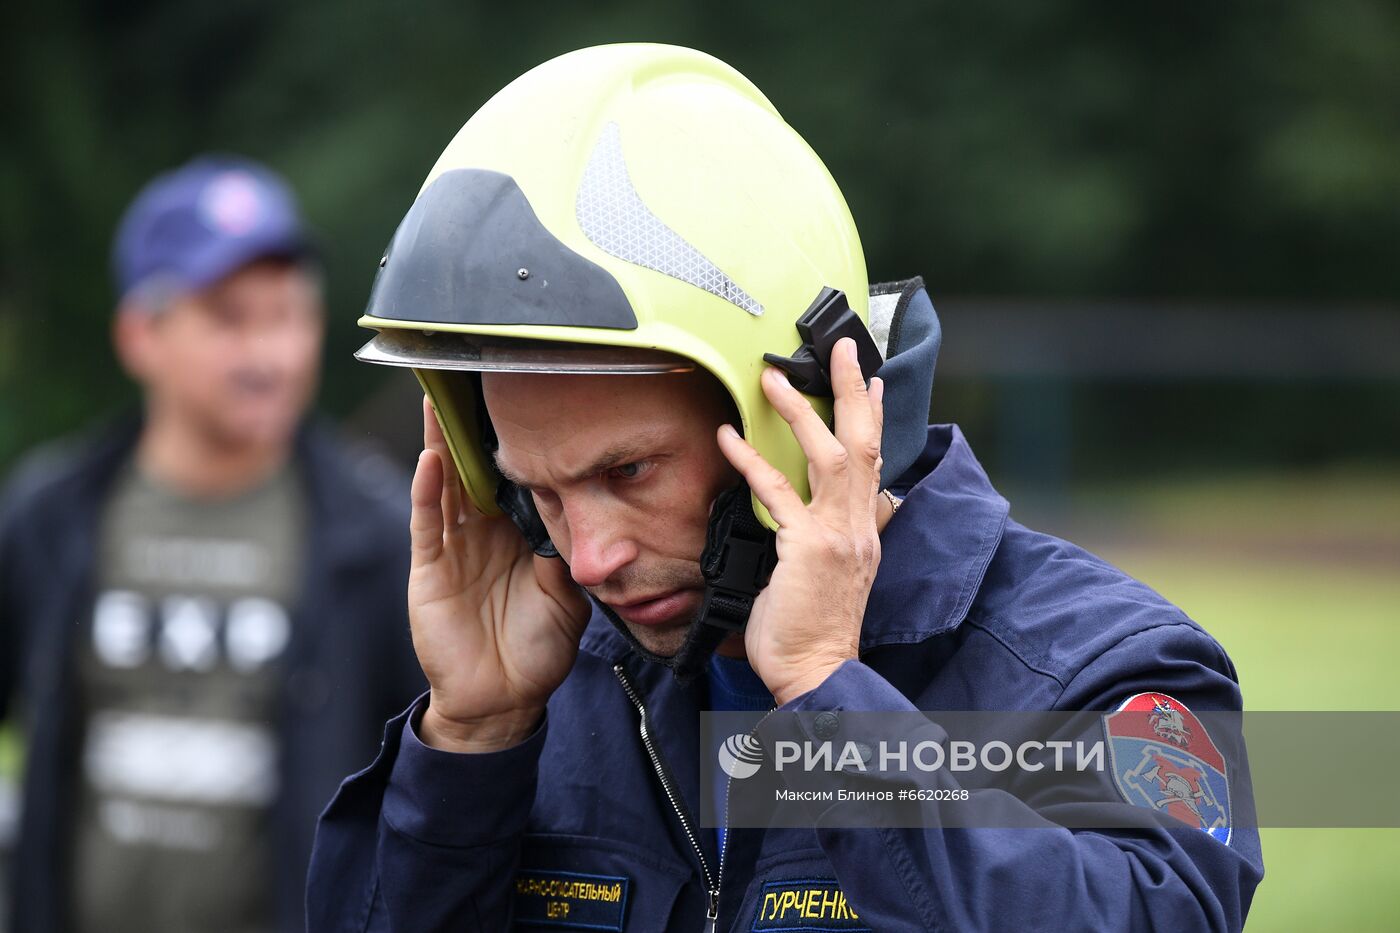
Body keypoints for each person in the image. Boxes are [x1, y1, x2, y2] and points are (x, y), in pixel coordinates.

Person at [308, 44, 1263, 931]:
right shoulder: (532, 689)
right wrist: (471, 743)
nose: (590, 559)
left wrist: (825, 695)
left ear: (792, 408)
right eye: (542, 494)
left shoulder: (1117, 668)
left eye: (627, 472)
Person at [0, 155, 424, 933]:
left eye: (288, 315)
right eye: (230, 318)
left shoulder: (379, 534)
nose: (269, 354)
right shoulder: (50, 516)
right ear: (140, 334)